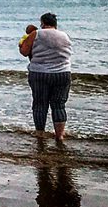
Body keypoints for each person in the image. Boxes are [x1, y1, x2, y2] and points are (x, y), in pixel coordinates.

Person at [19, 12, 72, 140]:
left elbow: (25, 52)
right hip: (62, 73)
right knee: (59, 105)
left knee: (40, 104)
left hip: (39, 73)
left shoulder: (36, 34)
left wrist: (21, 44)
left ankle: (40, 133)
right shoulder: (64, 36)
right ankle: (59, 136)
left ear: (42, 23)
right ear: (55, 24)